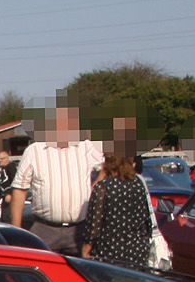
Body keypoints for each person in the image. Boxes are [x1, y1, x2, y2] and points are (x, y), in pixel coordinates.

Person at [8, 106, 102, 254]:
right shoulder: (35, 151)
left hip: (79, 229)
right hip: (44, 230)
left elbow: (110, 165)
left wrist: (96, 188)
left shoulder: (86, 148)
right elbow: (20, 190)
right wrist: (16, 231)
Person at [80, 151, 156, 270]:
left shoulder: (103, 187)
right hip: (137, 251)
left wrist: (86, 248)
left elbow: (94, 224)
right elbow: (145, 219)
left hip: (109, 251)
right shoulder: (138, 184)